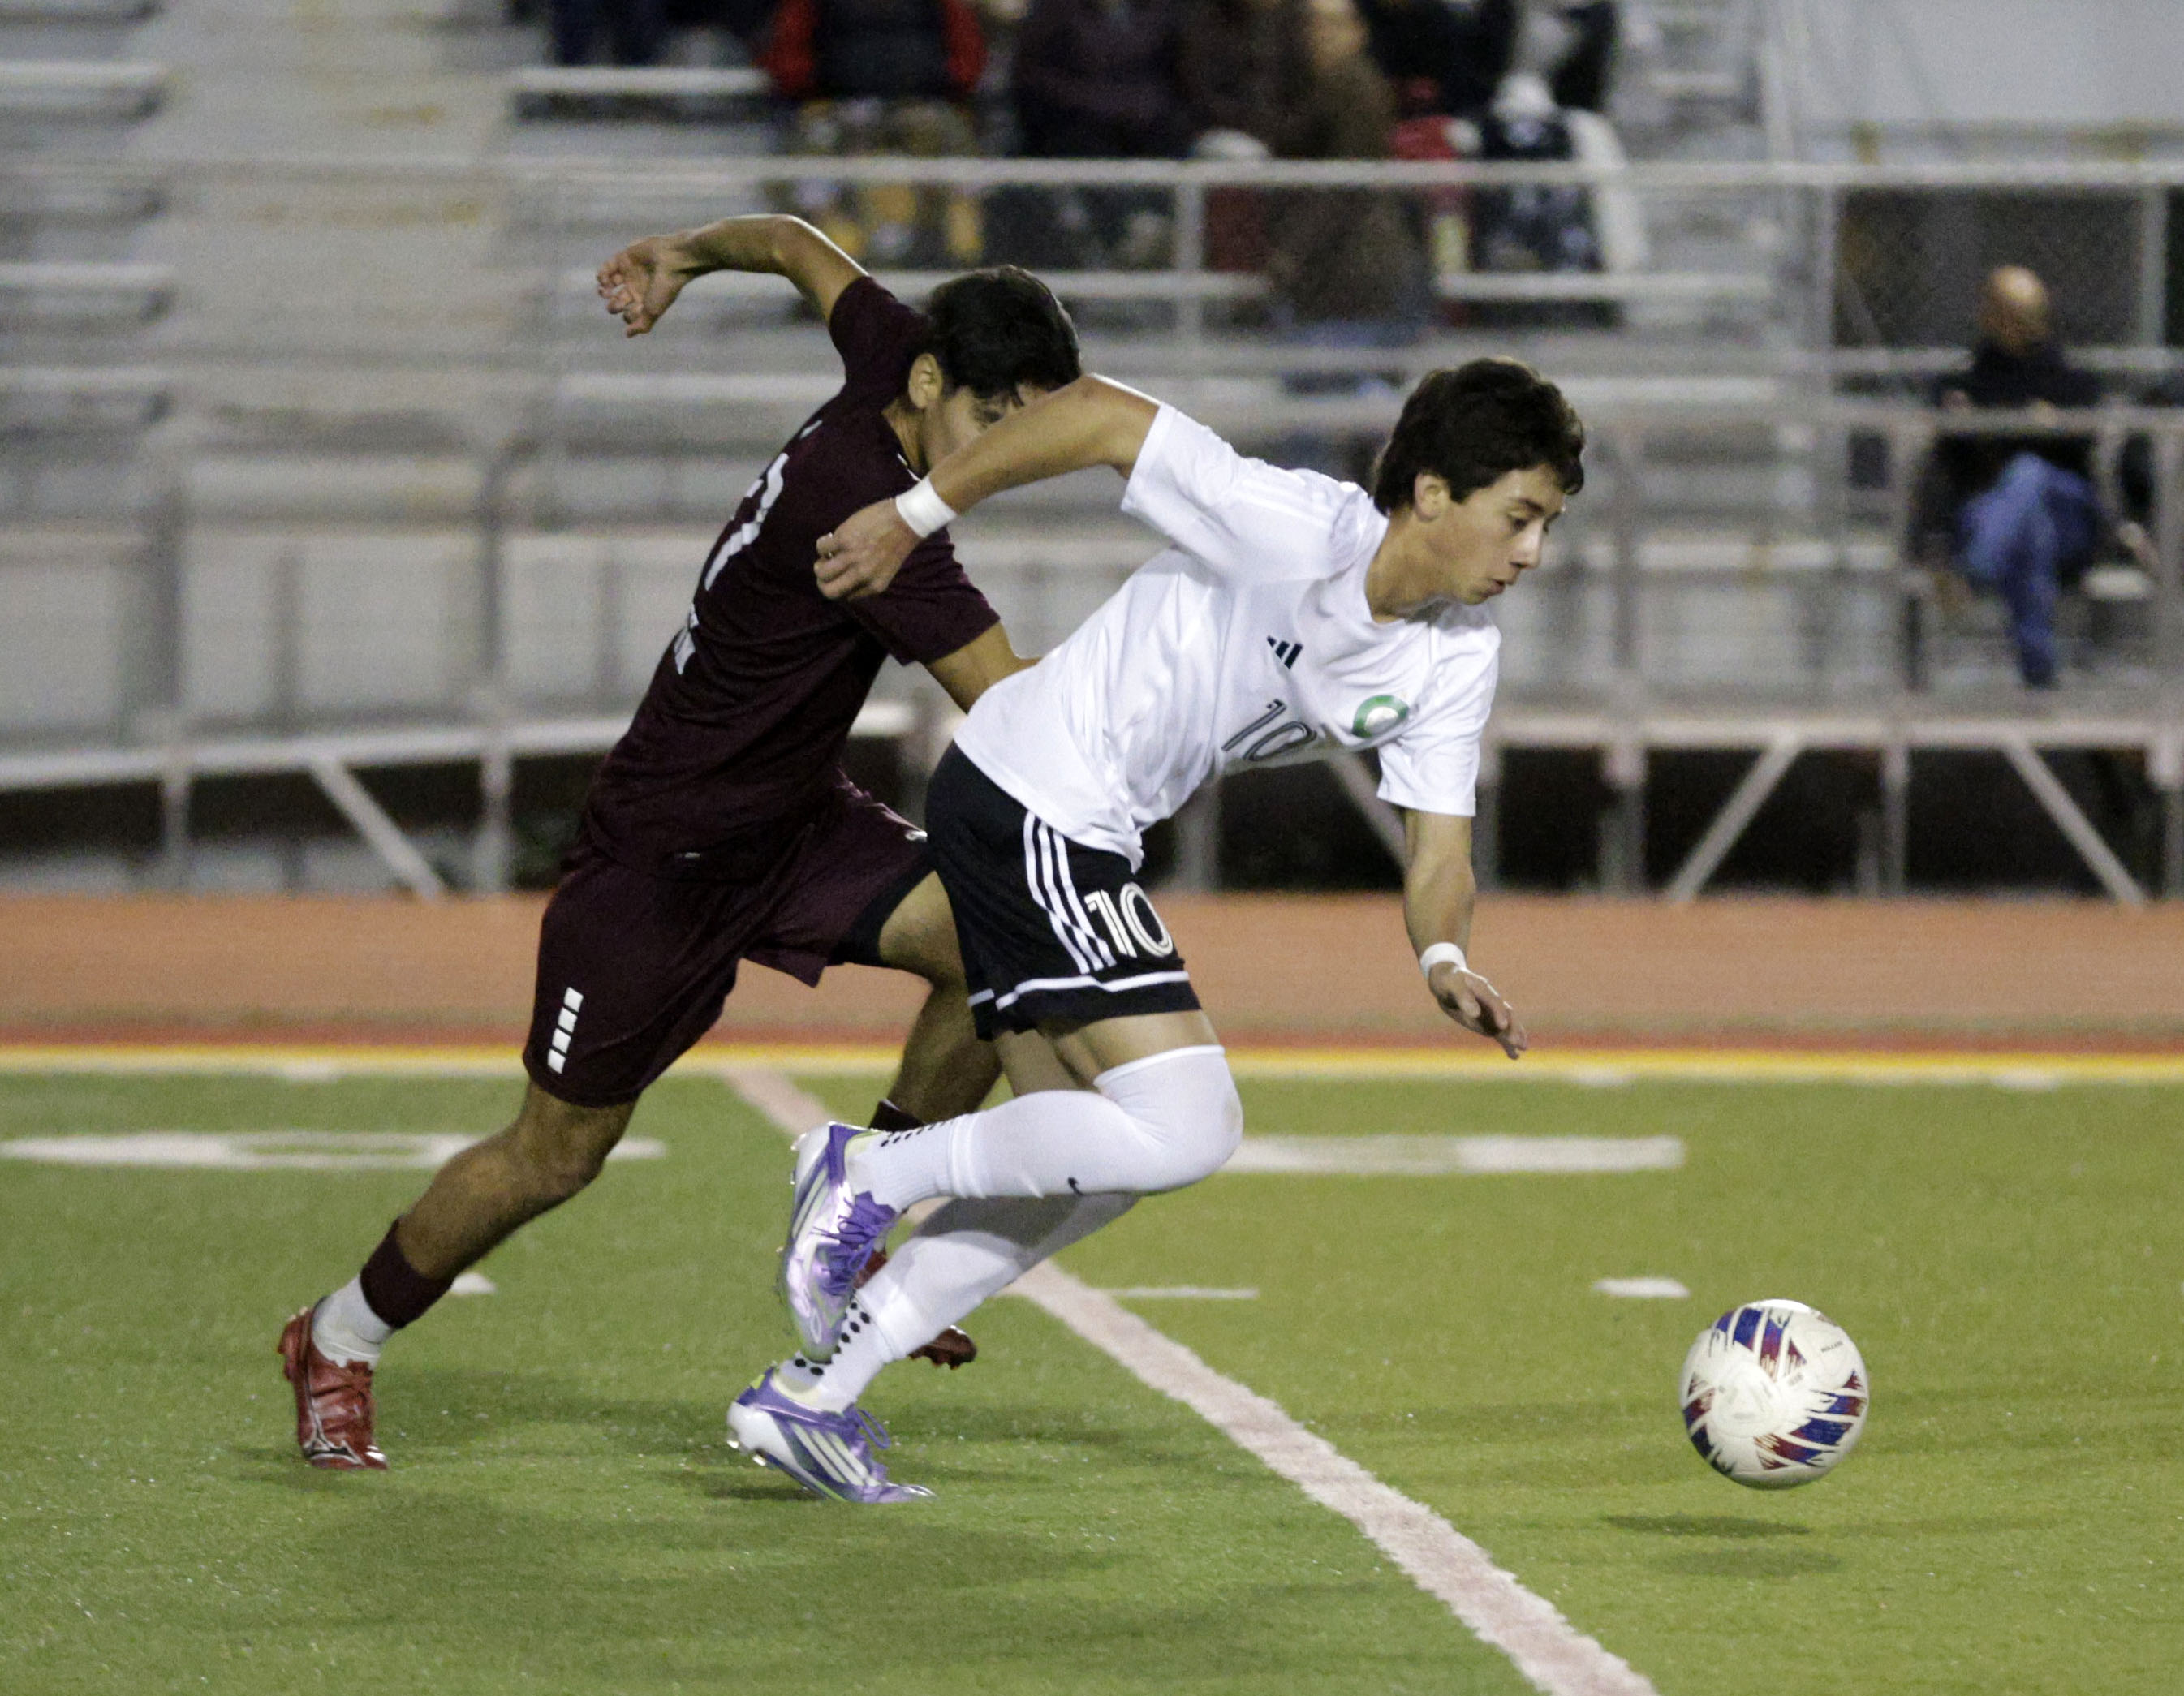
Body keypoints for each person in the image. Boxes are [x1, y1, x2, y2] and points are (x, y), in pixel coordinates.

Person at [276, 217, 1083, 1471]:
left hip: (793, 823)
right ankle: (339, 1335)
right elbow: (1017, 708)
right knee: (555, 1154)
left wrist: (683, 255)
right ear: (930, 385)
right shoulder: (867, 515)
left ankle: (857, 1211)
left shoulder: (892, 359)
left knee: (998, 937)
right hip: (658, 859)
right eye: (996, 427)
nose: (1003, 462)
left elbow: (801, 247)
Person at [720, 358, 1583, 1502]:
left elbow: (1438, 854)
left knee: (1084, 1159)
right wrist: (918, 514)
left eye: (1545, 526)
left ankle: (812, 1396)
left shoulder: (1454, 653)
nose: (1530, 552)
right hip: (1037, 791)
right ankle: (866, 1164)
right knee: (1189, 1121)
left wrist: (1442, 955)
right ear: (1430, 492)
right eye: (1518, 517)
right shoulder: (1294, 528)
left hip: (1074, 825)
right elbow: (1090, 414)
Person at [1921, 265, 2104, 689]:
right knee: (2028, 529)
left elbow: (2080, 443)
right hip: (1997, 515)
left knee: (2029, 475)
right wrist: (2029, 425)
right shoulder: (1962, 381)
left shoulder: (2072, 381)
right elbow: (1954, 455)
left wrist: (1990, 428)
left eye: (2022, 311)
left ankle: (1971, 569)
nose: (2014, 322)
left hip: (2067, 517)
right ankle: (2039, 677)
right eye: (2003, 311)